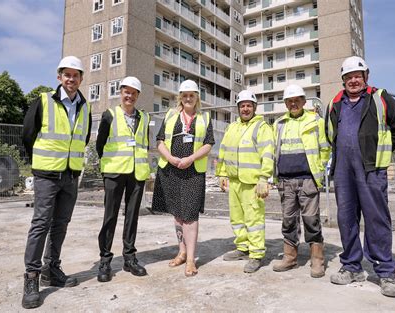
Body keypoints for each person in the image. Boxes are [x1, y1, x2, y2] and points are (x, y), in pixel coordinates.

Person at [325, 56, 395, 297]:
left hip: (371, 169)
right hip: (343, 170)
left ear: (365, 77)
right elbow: (329, 135)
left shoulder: (379, 98)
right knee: (346, 219)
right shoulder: (335, 103)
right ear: (343, 79)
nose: (353, 80)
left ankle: (385, 273)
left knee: (376, 219)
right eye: (349, 77)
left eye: (357, 76)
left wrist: (380, 150)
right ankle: (352, 267)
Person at [21, 56, 92, 309]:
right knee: (41, 223)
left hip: (70, 175)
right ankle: (31, 277)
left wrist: (70, 164)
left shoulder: (85, 106)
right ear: (59, 77)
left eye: (76, 75)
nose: (71, 79)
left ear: (81, 78)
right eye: (67, 74)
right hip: (47, 174)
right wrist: (41, 164)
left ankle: (52, 269)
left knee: (61, 224)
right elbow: (27, 135)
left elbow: (81, 139)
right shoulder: (43, 101)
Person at [152, 79, 214, 277]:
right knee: (177, 214)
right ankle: (182, 251)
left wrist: (190, 158)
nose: (188, 98)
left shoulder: (205, 118)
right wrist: (170, 158)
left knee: (190, 216)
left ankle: (190, 260)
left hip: (193, 171)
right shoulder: (171, 115)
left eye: (192, 95)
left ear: (197, 98)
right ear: (180, 97)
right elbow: (159, 141)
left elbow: (208, 144)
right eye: (185, 95)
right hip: (171, 170)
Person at [95, 76, 150, 282]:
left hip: (137, 173)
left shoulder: (143, 118)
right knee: (110, 216)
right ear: (121, 93)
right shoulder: (109, 115)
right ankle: (105, 260)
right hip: (114, 172)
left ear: (137, 96)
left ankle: (129, 258)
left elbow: (143, 143)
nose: (130, 96)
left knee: (132, 216)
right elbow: (100, 145)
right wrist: (109, 167)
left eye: (133, 93)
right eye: (126, 92)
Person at [272, 85, 330, 277]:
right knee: (288, 220)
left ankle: (317, 259)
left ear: (304, 101)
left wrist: (319, 172)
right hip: (285, 180)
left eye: (297, 99)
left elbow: (325, 149)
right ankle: (290, 257)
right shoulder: (279, 124)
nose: (293, 103)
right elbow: (274, 150)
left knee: (311, 220)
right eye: (289, 100)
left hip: (308, 179)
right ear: (285, 103)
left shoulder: (316, 120)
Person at [216, 90, 274, 273]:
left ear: (254, 108)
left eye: (249, 105)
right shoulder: (232, 128)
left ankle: (256, 254)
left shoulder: (262, 127)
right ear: (238, 108)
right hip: (234, 181)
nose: (246, 109)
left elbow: (267, 154)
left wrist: (265, 178)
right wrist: (222, 174)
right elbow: (223, 152)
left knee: (254, 219)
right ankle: (243, 248)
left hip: (253, 182)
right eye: (242, 105)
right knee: (237, 218)